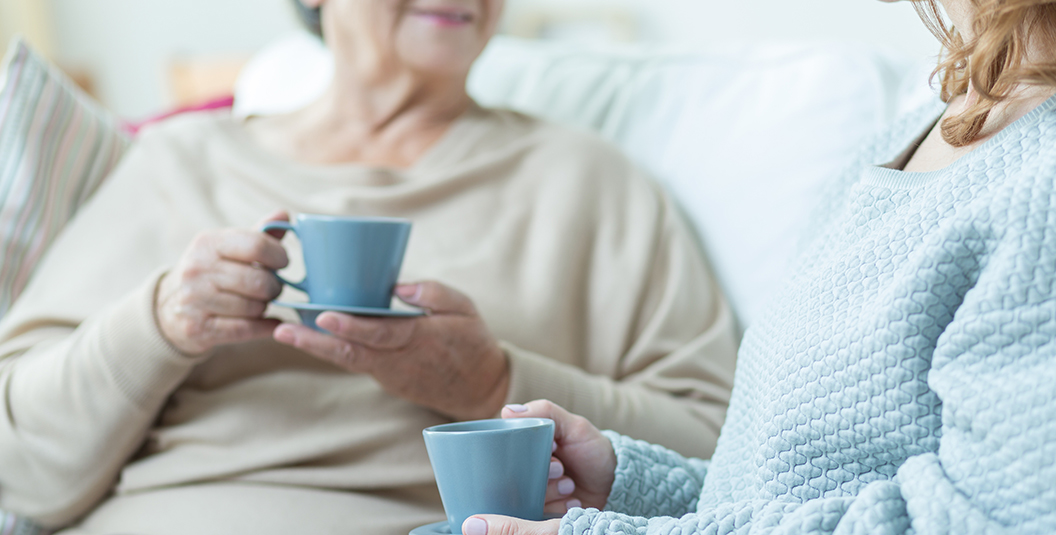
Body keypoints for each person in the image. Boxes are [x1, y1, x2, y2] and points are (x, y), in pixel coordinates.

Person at [0, 0, 739, 533]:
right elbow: (21, 471)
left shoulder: (592, 182)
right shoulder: (176, 162)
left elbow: (726, 456)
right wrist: (158, 323)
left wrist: (493, 384)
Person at [469, 0, 1056, 533]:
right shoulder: (906, 141)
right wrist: (630, 489)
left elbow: (992, 518)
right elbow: (790, 490)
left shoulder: (1051, 181)